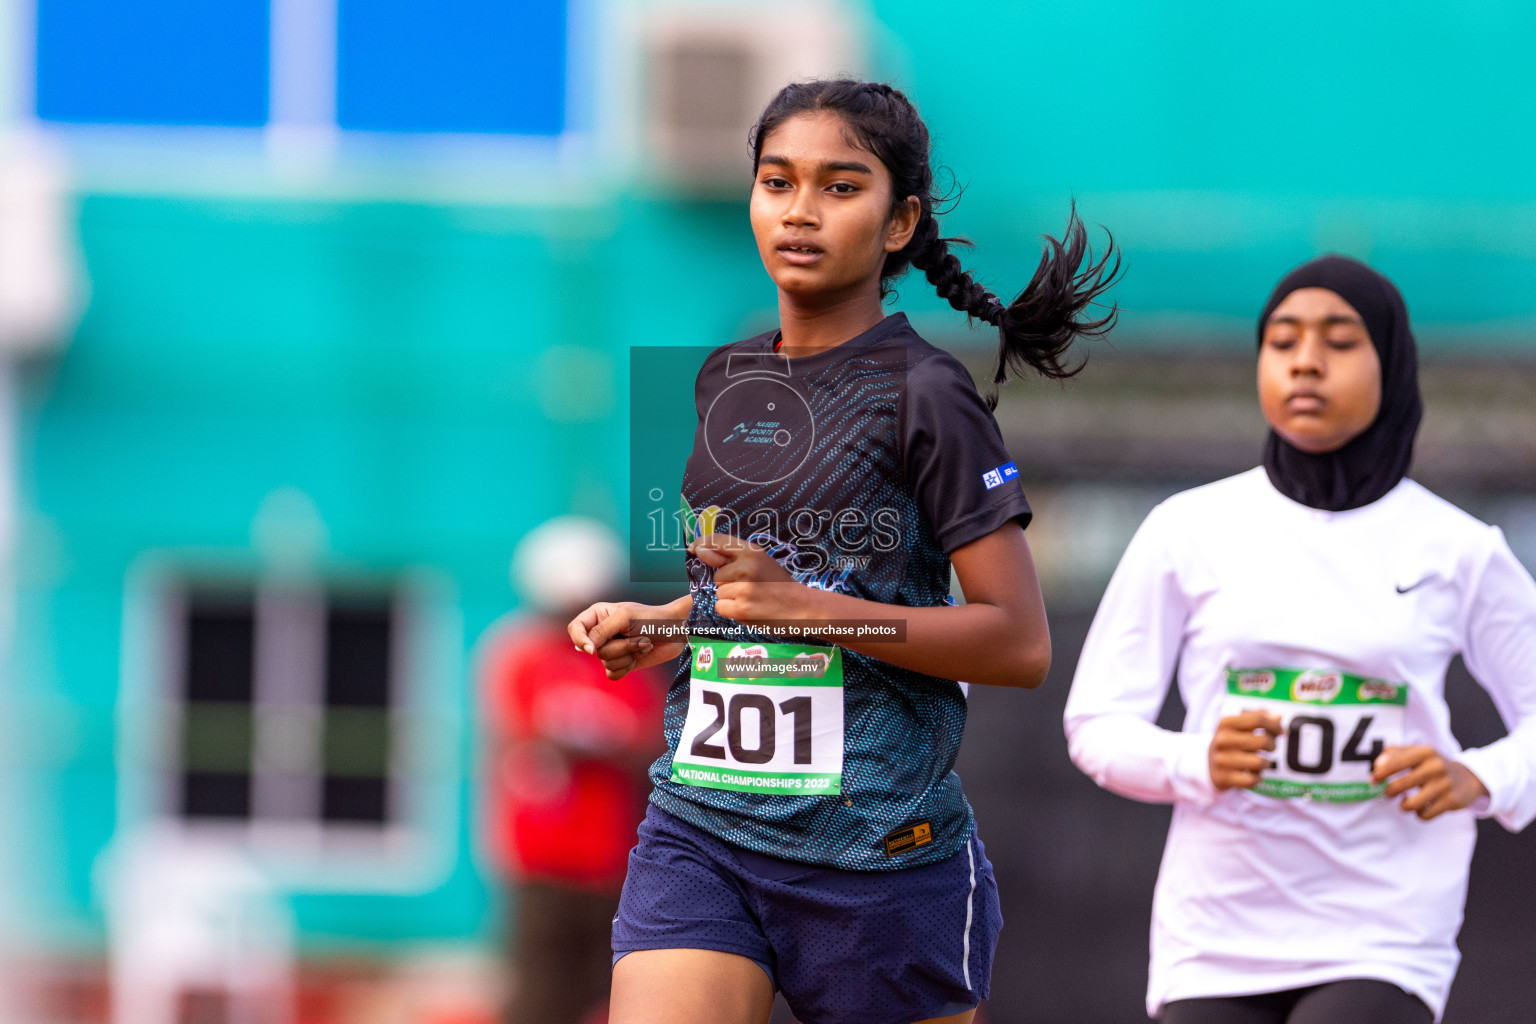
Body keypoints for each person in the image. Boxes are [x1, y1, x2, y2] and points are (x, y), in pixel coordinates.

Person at [568, 80, 1118, 1024]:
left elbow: (1017, 645)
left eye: (839, 186)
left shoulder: (927, 394)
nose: (800, 212)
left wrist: (809, 612)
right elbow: (750, 593)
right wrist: (659, 624)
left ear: (900, 221)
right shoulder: (723, 375)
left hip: (876, 858)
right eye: (777, 183)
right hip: (703, 825)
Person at [1063, 255, 1536, 1023]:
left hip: (1384, 929)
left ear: (1393, 363)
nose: (1306, 361)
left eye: (1339, 341)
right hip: (1215, 931)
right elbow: (1095, 724)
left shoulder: (1459, 549)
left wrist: (1480, 778)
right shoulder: (1190, 528)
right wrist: (1196, 757)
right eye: (1282, 341)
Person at [481, 516, 666, 1024]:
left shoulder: (625, 659)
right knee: (539, 999)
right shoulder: (522, 656)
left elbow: (649, 745)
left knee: (618, 997)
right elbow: (516, 737)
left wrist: (596, 741)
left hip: (613, 863)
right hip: (540, 862)